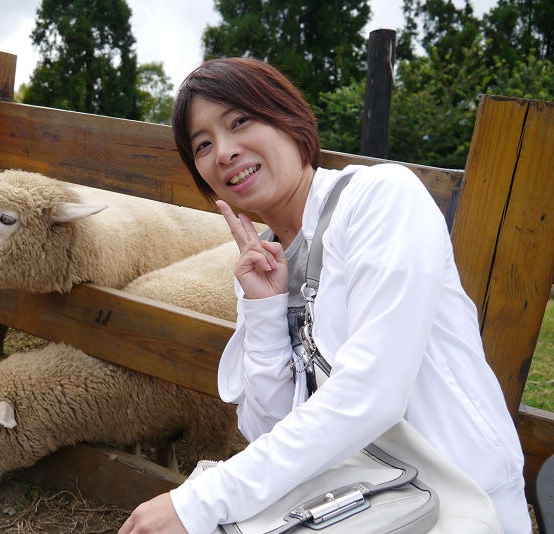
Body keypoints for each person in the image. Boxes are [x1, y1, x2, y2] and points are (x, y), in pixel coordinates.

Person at [118, 57, 530, 534]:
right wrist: (265, 309)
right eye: (203, 145)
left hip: (460, 505)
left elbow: (370, 396)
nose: (224, 152)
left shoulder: (380, 199)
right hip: (359, 503)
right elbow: (269, 431)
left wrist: (201, 501)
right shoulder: (262, 263)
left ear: (289, 118)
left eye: (240, 121)